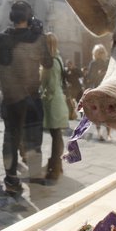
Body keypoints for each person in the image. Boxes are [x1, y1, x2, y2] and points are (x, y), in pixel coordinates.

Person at [0, 0, 52, 193]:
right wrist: (40, 34)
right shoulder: (37, 38)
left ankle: (11, 180)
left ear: (12, 17)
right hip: (31, 98)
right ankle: (34, 176)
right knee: (33, 139)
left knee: (10, 139)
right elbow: (48, 63)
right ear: (29, 17)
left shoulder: (0, 38)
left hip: (10, 98)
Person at [41, 33, 69, 181]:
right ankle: (56, 163)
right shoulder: (57, 58)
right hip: (57, 101)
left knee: (56, 135)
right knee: (57, 135)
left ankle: (55, 169)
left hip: (53, 103)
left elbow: (50, 88)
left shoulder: (51, 61)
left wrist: (42, 98)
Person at [85, 44, 111, 140]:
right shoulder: (93, 63)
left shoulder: (107, 63)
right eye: (99, 52)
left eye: (102, 52)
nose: (100, 54)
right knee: (98, 113)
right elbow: (89, 78)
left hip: (107, 90)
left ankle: (107, 134)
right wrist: (97, 74)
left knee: (107, 113)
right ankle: (100, 133)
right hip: (97, 90)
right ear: (95, 53)